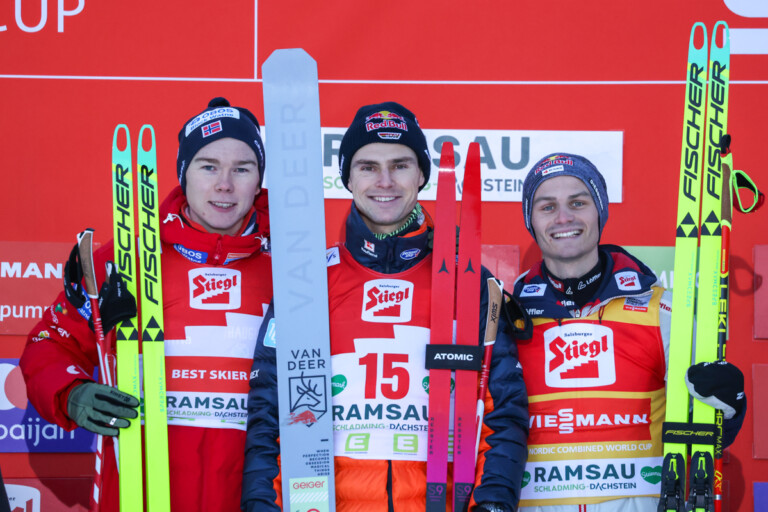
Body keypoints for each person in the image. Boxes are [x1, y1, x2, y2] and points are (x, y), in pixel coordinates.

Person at [242, 102, 529, 512]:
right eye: (367, 166)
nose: (385, 181)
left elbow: (502, 411)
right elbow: (270, 413)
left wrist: (492, 506)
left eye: (401, 164)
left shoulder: (474, 284)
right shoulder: (307, 282)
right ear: (347, 178)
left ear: (422, 174)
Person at [20, 97, 273, 512]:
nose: (224, 184)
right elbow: (50, 342)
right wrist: (70, 393)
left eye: (241, 169)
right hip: (144, 493)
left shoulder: (293, 269)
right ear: (183, 174)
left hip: (251, 497)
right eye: (208, 166)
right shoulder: (124, 259)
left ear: (258, 180)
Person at [510, 153, 746, 511]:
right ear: (531, 220)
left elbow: (700, 439)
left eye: (578, 202)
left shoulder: (663, 312)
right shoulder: (507, 319)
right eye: (547, 207)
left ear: (600, 211)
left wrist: (728, 411)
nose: (563, 218)